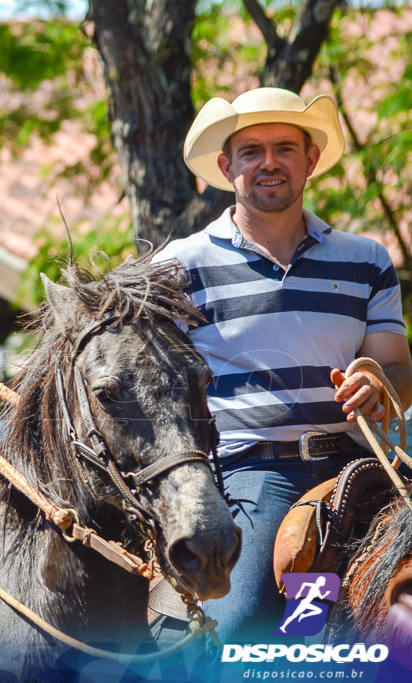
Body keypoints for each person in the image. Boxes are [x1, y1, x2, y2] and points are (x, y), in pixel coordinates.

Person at [156, 87, 412, 643]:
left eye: (285, 148)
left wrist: (377, 382)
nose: (268, 162)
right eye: (251, 151)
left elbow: (397, 368)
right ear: (227, 167)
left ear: (311, 160)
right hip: (252, 473)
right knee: (240, 622)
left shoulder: (367, 259)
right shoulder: (177, 266)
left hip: (362, 469)